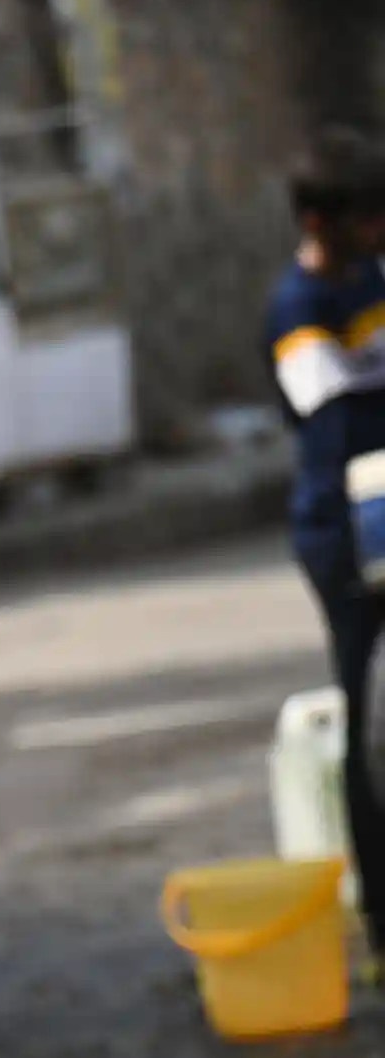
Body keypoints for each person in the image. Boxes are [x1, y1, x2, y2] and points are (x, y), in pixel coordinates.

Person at [265, 127, 385, 958]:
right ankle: (382, 916)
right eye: (365, 218)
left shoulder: (374, 279)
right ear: (317, 220)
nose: (378, 231)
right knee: (370, 720)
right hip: (348, 533)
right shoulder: (298, 311)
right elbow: (336, 428)